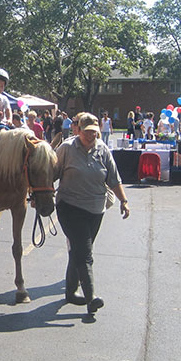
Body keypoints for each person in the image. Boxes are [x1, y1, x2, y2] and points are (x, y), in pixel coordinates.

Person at [55, 112, 130, 315]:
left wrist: (123, 201)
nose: (91, 136)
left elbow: (114, 179)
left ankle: (70, 292)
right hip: (70, 207)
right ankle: (91, 298)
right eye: (87, 132)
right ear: (79, 130)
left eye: (95, 132)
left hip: (96, 209)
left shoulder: (102, 149)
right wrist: (37, 194)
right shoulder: (67, 149)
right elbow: (51, 173)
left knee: (78, 251)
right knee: (85, 253)